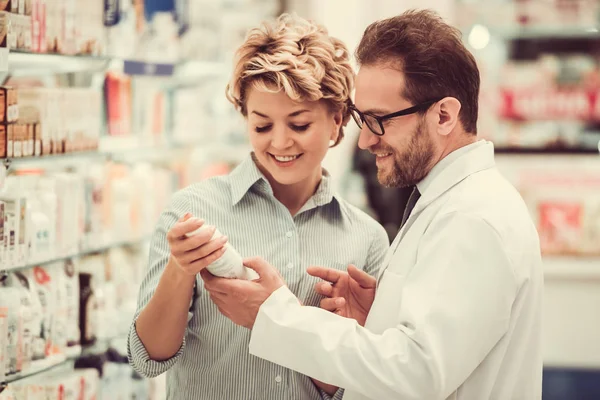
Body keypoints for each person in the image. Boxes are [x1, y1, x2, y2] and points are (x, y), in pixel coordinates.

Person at [202, 9, 544, 400]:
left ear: (444, 115)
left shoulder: (474, 219)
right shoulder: (448, 203)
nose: (364, 141)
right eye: (362, 119)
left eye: (379, 120)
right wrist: (379, 322)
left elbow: (418, 373)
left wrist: (274, 315)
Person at [127, 13, 389, 400]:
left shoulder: (366, 239)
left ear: (336, 121)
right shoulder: (192, 210)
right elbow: (148, 358)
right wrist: (180, 269)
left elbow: (357, 386)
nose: (280, 143)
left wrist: (324, 334)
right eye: (262, 126)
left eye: (299, 125)